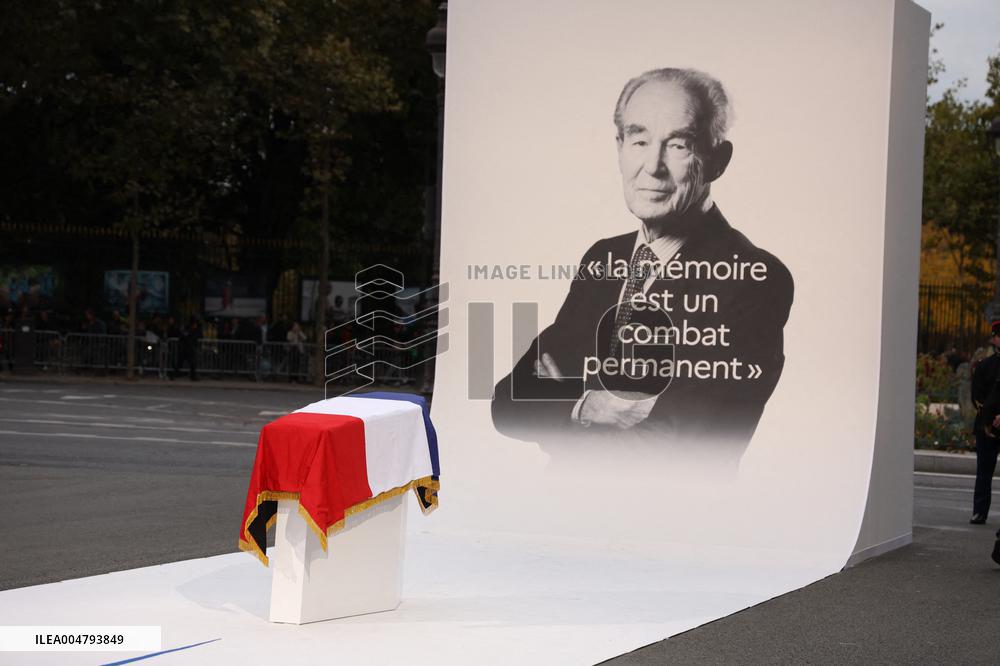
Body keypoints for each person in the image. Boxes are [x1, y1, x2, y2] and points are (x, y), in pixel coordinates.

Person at [491, 67, 793, 454]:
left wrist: (558, 409)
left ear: (718, 160)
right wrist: (590, 406)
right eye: (639, 140)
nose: (652, 166)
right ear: (619, 147)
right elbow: (508, 404)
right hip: (564, 492)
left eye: (679, 145)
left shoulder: (753, 279)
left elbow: (676, 445)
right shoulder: (603, 258)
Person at [969, 323, 1000, 524]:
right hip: (987, 425)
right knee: (984, 472)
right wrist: (991, 419)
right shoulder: (984, 366)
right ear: (994, 339)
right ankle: (980, 511)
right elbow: (977, 397)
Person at [172, 316, 201, 380]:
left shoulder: (195, 329)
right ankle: (174, 374)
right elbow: (183, 336)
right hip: (185, 348)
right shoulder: (187, 328)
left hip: (190, 348)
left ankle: (192, 376)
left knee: (192, 363)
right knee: (180, 362)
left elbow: (196, 337)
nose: (195, 325)